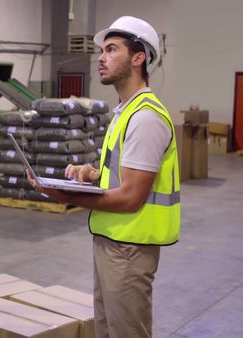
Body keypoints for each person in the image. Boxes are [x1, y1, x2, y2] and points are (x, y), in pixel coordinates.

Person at [28, 16, 181, 338]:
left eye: (112, 49)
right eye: (103, 50)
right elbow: (122, 176)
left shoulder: (145, 117)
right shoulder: (125, 112)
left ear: (138, 58)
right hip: (113, 241)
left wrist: (66, 196)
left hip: (130, 247)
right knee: (107, 330)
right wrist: (91, 175)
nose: (101, 57)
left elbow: (130, 197)